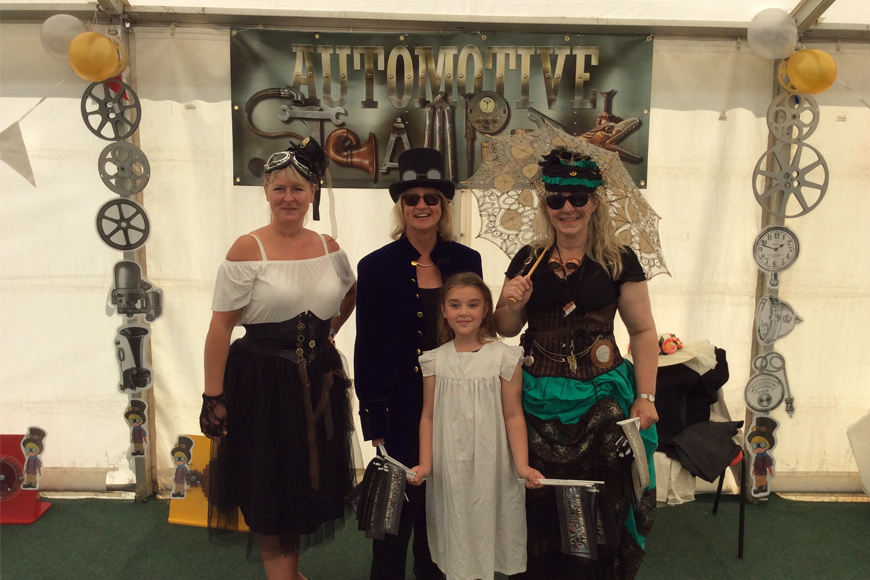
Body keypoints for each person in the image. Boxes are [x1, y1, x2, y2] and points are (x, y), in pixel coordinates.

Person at [493, 148, 658, 580]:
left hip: (602, 394)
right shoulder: (527, 259)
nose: (567, 208)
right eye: (556, 199)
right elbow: (504, 327)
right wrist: (512, 303)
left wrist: (645, 396)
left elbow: (643, 332)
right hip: (537, 395)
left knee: (604, 495)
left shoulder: (618, 259)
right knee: (538, 499)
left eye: (578, 198)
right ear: (545, 204)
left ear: (594, 202)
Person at [201, 138, 357, 580]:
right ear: (266, 192)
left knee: (303, 478)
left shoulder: (329, 246)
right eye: (280, 188)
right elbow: (220, 328)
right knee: (269, 481)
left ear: (313, 193)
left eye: (298, 188)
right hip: (262, 383)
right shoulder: (246, 249)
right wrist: (213, 396)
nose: (289, 197)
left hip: (318, 378)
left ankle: (293, 572)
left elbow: (350, 292)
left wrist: (329, 332)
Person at [354, 148, 482, 580]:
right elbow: (367, 345)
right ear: (401, 206)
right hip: (398, 407)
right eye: (412, 198)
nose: (422, 205)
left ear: (442, 205)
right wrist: (374, 417)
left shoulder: (466, 261)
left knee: (442, 520)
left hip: (455, 404)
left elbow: (476, 332)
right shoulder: (375, 266)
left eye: (431, 197)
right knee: (392, 522)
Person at [409, 272, 544, 580]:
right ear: (443, 310)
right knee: (457, 527)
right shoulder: (434, 360)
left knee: (489, 525)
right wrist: (425, 463)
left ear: (486, 309)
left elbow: (513, 415)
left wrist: (522, 465)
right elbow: (428, 415)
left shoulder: (504, 357)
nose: (464, 312)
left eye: (472, 304)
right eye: (455, 305)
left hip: (491, 463)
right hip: (450, 466)